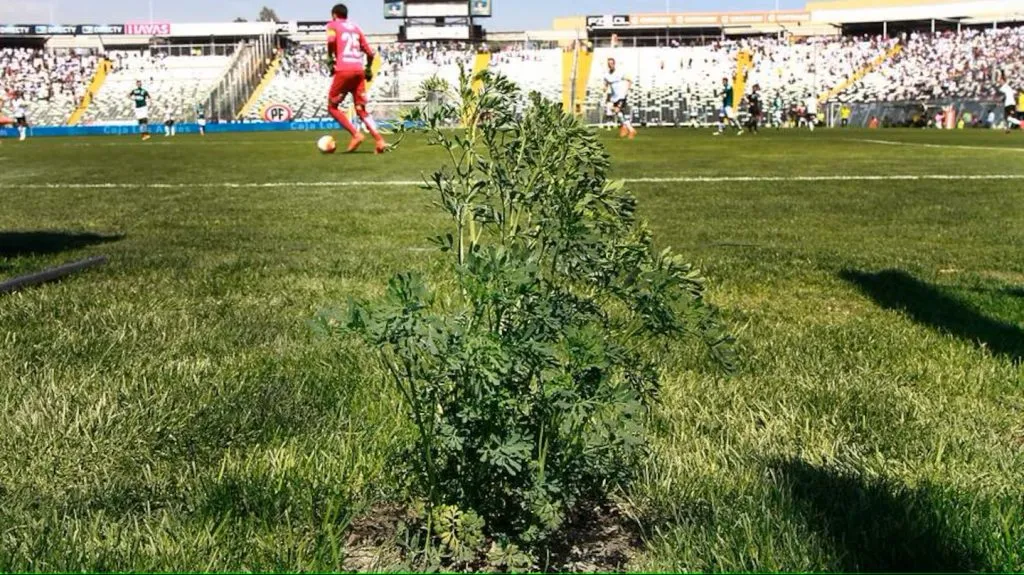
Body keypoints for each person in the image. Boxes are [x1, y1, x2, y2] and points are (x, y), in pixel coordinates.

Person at [326, 3, 387, 154]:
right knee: (360, 109)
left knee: (332, 107)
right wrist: (368, 68)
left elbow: (331, 41)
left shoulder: (332, 25)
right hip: (358, 70)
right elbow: (370, 53)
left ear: (334, 14)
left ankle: (356, 134)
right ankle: (379, 140)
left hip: (344, 70)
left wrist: (330, 58)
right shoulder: (356, 28)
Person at [603, 58, 636, 139]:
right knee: (619, 113)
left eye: (611, 63)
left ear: (614, 64)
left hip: (621, 96)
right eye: (609, 64)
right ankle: (627, 128)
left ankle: (628, 129)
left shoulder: (619, 73)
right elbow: (606, 84)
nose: (610, 65)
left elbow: (630, 80)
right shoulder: (606, 75)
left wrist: (627, 90)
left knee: (617, 110)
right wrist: (604, 88)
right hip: (614, 97)